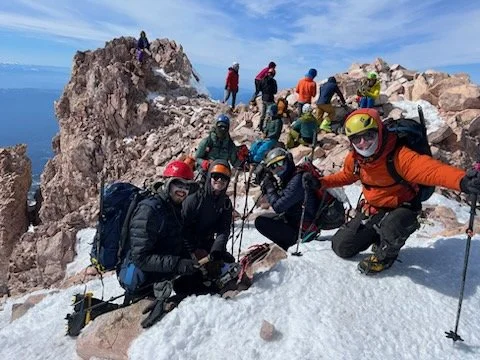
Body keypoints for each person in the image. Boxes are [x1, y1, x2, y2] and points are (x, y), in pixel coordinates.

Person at [320, 108, 477, 274]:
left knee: (393, 225)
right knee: (342, 246)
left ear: (380, 131)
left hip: (403, 205)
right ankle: (378, 233)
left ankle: (386, 256)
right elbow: (346, 176)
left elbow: (431, 170)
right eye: (356, 139)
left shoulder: (399, 155)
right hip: (375, 208)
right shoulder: (356, 159)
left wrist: (463, 181)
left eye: (369, 135)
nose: (363, 143)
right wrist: (321, 182)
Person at [117, 160, 198, 326]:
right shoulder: (149, 210)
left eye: (187, 186)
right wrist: (178, 263)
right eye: (179, 184)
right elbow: (141, 258)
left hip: (162, 272)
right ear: (168, 183)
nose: (183, 190)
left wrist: (190, 258)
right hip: (143, 280)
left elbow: (175, 239)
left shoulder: (171, 206)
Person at [254, 148, 344, 250]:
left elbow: (279, 206)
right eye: (273, 167)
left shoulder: (297, 180)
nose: (278, 169)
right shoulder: (291, 176)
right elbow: (283, 197)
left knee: (260, 222)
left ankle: (287, 244)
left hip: (303, 229)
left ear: (288, 160)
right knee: (267, 219)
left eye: (280, 163)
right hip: (296, 221)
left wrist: (269, 188)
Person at [182, 160, 235, 265]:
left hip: (206, 241)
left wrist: (217, 249)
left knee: (226, 262)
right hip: (186, 244)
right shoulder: (194, 199)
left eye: (224, 178)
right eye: (216, 176)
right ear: (209, 177)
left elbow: (224, 229)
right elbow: (182, 227)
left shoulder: (225, 203)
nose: (219, 180)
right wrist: (194, 251)